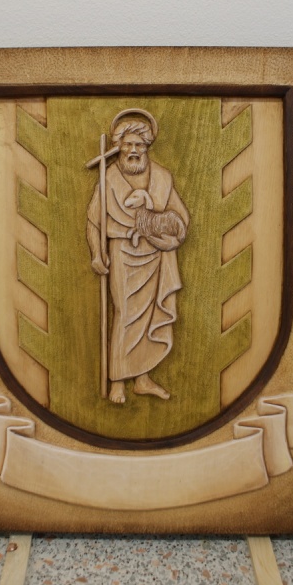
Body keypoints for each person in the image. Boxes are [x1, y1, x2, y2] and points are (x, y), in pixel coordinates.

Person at [87, 118, 189, 404]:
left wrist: (152, 208)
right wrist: (96, 253)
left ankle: (142, 379)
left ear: (147, 146)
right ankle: (118, 382)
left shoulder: (162, 178)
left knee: (150, 315)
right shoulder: (108, 178)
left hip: (155, 253)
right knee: (126, 314)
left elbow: (180, 218)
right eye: (128, 144)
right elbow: (94, 221)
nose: (133, 150)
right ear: (118, 147)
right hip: (122, 252)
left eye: (139, 145)